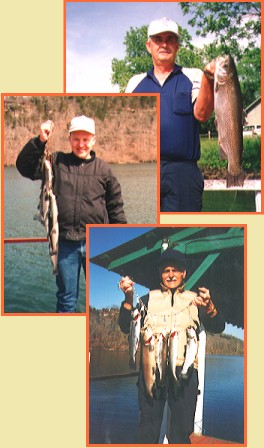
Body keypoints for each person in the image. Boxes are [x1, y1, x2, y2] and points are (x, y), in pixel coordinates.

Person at [16, 115, 127, 313]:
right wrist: (40, 141)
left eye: (86, 139)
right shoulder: (56, 162)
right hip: (65, 243)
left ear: (93, 140)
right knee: (67, 300)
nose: (81, 144)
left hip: (96, 243)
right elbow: (24, 167)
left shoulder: (104, 170)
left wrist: (120, 247)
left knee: (100, 298)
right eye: (76, 139)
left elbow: (116, 208)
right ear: (69, 139)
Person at [118, 248, 225, 444]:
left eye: (175, 270)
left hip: (184, 374)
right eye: (166, 270)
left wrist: (210, 307)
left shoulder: (196, 300)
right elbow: (126, 327)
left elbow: (219, 327)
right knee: (147, 432)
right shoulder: (147, 299)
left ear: (184, 272)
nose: (170, 275)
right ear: (161, 273)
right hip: (152, 371)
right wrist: (128, 299)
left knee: (181, 433)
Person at [126, 17, 216, 212]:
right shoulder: (134, 83)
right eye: (158, 39)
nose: (164, 44)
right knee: (143, 230)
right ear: (149, 46)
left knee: (182, 231)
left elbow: (202, 114)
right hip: (144, 171)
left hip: (183, 173)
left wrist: (209, 78)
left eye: (170, 39)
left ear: (177, 45)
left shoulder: (194, 76)